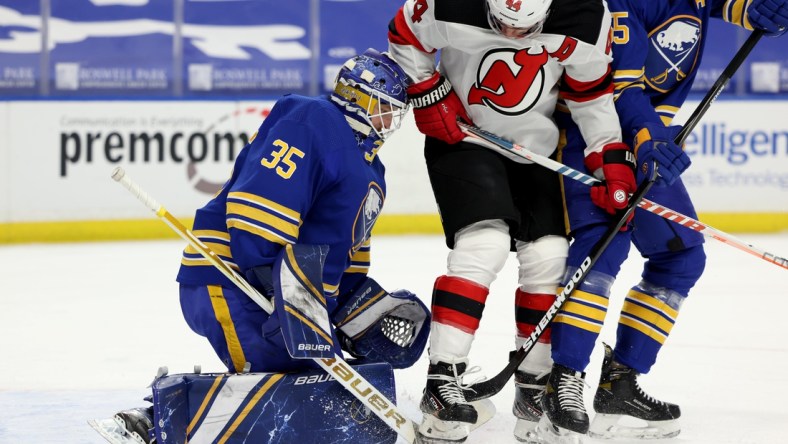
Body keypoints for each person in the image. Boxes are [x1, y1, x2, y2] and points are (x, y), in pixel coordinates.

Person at [108, 48, 432, 443]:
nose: (390, 121)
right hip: (233, 279)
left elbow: (341, 264)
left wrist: (355, 310)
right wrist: (278, 290)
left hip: (293, 301)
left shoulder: (373, 174)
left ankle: (164, 414)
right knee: (290, 392)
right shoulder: (313, 120)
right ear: (359, 96)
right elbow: (258, 210)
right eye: (386, 107)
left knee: (315, 389)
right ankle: (156, 421)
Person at [387, 0, 637, 442]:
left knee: (550, 256)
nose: (513, 35)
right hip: (463, 138)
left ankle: (533, 387)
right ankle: (443, 379)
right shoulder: (449, 4)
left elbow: (591, 94)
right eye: (501, 24)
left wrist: (607, 160)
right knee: (483, 244)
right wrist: (428, 90)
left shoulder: (585, 15)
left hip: (537, 151)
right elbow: (405, 36)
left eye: (527, 28)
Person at [546, 0, 788, 441]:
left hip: (647, 144)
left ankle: (620, 383)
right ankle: (562, 381)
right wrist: (649, 139)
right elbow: (619, 87)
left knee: (681, 258)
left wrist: (752, 10)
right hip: (592, 139)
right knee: (602, 250)